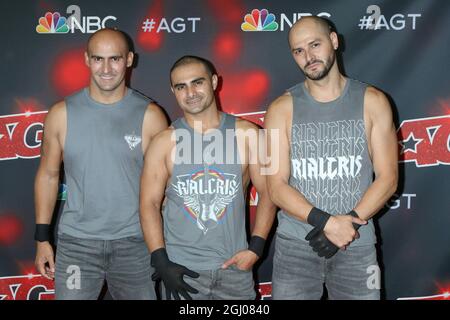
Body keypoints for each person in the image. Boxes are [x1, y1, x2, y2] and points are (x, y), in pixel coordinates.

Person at [265, 16, 398, 300]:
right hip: (296, 248)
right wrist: (327, 223)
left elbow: (387, 179)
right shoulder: (280, 109)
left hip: (357, 245)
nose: (308, 57)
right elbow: (276, 186)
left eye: (315, 45)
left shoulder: (373, 101)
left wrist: (347, 224)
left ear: (334, 41)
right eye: (298, 51)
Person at [34, 28, 168, 300]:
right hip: (77, 244)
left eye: (115, 59)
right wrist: (41, 237)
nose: (106, 68)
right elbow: (48, 176)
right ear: (86, 60)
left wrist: (162, 244)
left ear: (129, 59)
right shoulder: (61, 114)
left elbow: (166, 188)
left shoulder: (151, 116)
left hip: (136, 244)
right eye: (98, 59)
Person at [139, 55, 276, 300]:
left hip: (235, 268)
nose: (190, 92)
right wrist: (161, 261)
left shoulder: (248, 134)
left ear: (214, 81)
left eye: (197, 82)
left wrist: (256, 249)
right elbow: (148, 204)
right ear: (173, 90)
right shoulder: (163, 142)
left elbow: (269, 192)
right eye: (181, 86)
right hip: (181, 269)